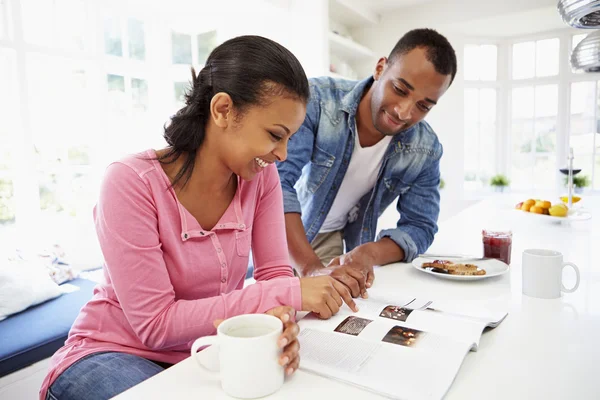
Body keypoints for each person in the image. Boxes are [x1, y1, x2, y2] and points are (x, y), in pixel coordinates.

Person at [40, 35, 357, 400]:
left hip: (207, 350)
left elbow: (273, 275)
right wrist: (288, 293)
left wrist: (279, 327)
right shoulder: (130, 183)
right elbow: (156, 325)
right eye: (275, 135)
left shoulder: (261, 179)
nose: (283, 155)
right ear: (222, 110)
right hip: (109, 352)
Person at [277, 28, 457, 297]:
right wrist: (311, 268)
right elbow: (275, 184)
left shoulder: (426, 149)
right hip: (284, 232)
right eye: (399, 89)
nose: (404, 112)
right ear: (380, 68)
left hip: (334, 240)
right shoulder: (318, 100)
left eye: (423, 106)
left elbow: (420, 226)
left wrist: (368, 253)